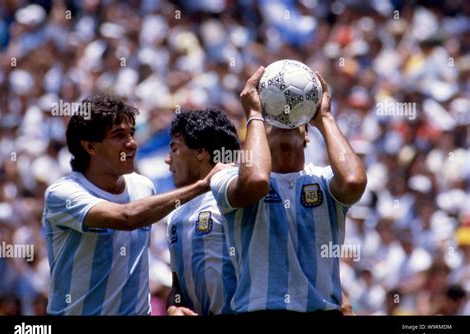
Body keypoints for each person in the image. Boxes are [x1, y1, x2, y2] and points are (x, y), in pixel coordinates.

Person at [43, 95, 225, 315]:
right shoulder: (63, 194)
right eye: (119, 136)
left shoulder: (143, 187)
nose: (132, 143)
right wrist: (203, 185)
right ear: (90, 146)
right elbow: (126, 217)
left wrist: (174, 306)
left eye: (132, 133)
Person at [210, 67, 367, 315]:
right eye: (271, 115)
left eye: (294, 116)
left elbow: (354, 182)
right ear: (255, 132)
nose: (283, 116)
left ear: (307, 135)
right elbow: (256, 182)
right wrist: (254, 113)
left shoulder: (325, 180)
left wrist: (325, 118)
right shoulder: (226, 177)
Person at [165, 109, 239, 316]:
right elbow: (176, 285)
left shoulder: (236, 197)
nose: (167, 159)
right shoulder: (175, 214)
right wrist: (173, 307)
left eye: (174, 149)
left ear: (201, 152)